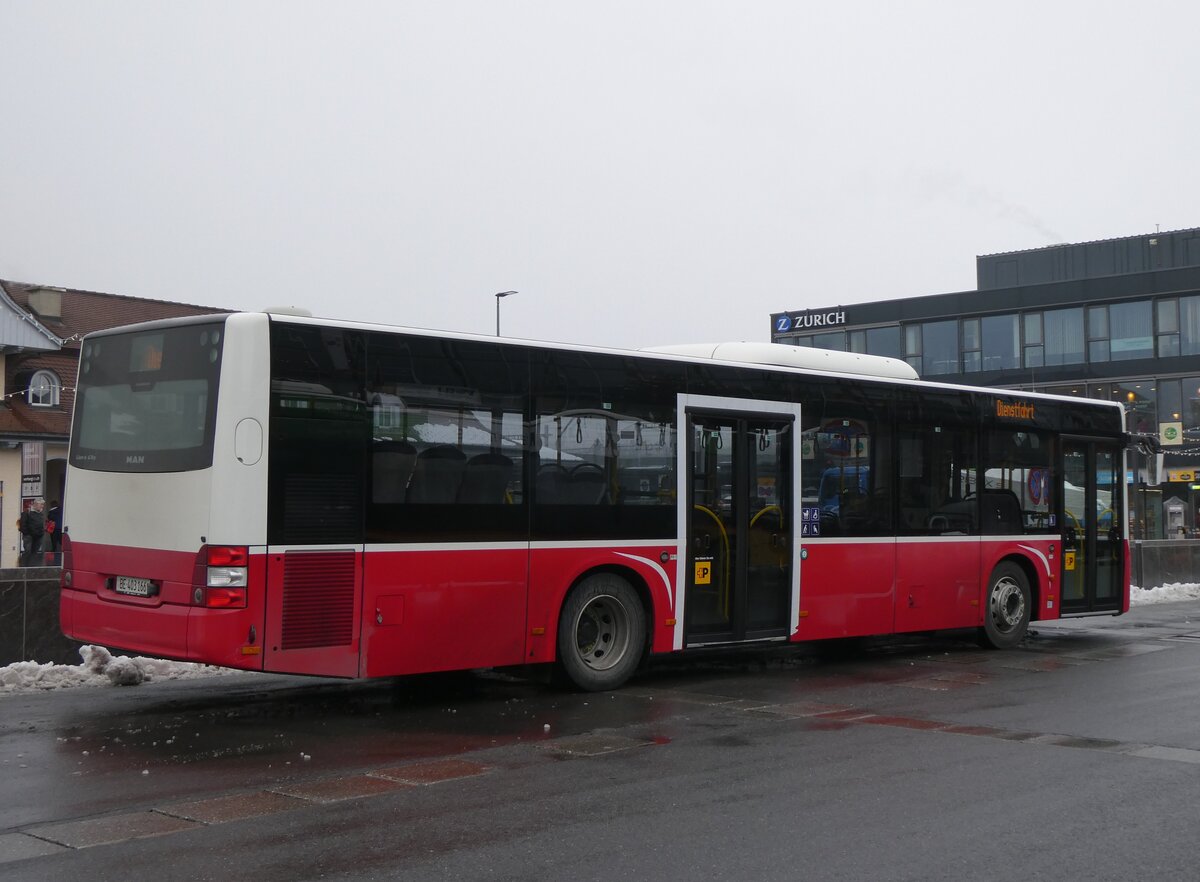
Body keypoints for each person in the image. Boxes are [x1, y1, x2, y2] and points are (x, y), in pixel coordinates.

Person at [18, 501, 46, 567]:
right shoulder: (27, 512)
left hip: (38, 536)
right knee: (27, 551)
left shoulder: (41, 514)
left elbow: (41, 524)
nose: (42, 506)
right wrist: (26, 533)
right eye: (41, 504)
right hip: (29, 536)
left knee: (34, 552)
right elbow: (23, 524)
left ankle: (31, 566)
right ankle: (23, 566)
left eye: (43, 504)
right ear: (35, 505)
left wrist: (42, 532)